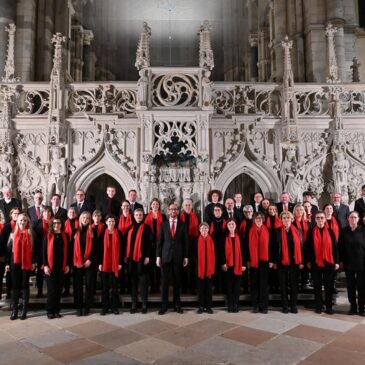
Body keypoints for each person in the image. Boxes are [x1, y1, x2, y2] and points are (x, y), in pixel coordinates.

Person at [156, 203, 188, 315]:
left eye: (175, 209)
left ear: (178, 211)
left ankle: (177, 305)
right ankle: (164, 306)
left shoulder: (183, 225)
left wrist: (186, 257)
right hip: (165, 257)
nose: (173, 211)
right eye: (171, 209)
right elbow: (160, 242)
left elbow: (185, 242)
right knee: (164, 283)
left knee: (177, 283)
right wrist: (158, 257)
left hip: (178, 257)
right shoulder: (163, 225)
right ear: (168, 211)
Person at [306, 211, 339, 314]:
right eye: (318, 218)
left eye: (322, 218)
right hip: (315, 263)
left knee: (329, 286)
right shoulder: (311, 231)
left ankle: (329, 307)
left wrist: (337, 262)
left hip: (328, 263)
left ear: (325, 219)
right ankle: (319, 306)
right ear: (315, 219)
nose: (320, 220)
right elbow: (308, 248)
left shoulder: (330, 231)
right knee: (317, 286)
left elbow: (335, 248)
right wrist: (308, 261)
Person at [5, 214, 34, 320]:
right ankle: (15, 311)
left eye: (25, 220)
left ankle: (24, 310)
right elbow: (8, 250)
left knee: (25, 285)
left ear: (27, 222)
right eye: (21, 220)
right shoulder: (12, 234)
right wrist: (7, 263)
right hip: (15, 262)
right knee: (15, 286)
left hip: (26, 262)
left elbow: (33, 250)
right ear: (17, 221)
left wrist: (33, 262)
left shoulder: (30, 233)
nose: (22, 222)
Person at [125, 209, 152, 313]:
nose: (138, 216)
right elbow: (127, 244)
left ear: (143, 216)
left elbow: (150, 244)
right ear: (134, 216)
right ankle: (134, 304)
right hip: (132, 259)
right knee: (133, 283)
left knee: (143, 283)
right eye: (136, 215)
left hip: (142, 259)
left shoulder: (146, 228)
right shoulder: (130, 228)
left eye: (140, 215)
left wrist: (147, 256)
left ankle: (144, 304)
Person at [43, 217, 70, 319]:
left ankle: (57, 310)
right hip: (50, 267)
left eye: (58, 223)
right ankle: (50, 311)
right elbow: (44, 252)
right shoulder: (48, 236)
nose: (56, 225)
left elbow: (69, 252)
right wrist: (45, 265)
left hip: (62, 267)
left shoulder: (65, 236)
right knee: (52, 290)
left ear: (61, 224)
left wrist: (68, 264)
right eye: (54, 223)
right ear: (51, 225)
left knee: (59, 290)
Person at [277, 211, 304, 313]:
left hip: (294, 262)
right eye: (284, 218)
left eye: (288, 218)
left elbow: (301, 248)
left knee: (294, 285)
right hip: (282, 262)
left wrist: (301, 261)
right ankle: (285, 306)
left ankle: (293, 305)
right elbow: (274, 248)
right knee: (283, 285)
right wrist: (274, 261)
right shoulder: (277, 231)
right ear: (282, 220)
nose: (286, 220)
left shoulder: (298, 231)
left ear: (291, 219)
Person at [339, 211, 365, 316]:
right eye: (351, 217)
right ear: (348, 219)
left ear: (358, 219)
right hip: (348, 263)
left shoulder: (363, 231)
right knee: (350, 286)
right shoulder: (344, 231)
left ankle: (362, 307)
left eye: (355, 217)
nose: (353, 219)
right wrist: (340, 261)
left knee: (362, 286)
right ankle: (353, 307)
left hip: (362, 263)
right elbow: (340, 247)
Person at [246, 212, 272, 313]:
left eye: (260, 218)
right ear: (254, 220)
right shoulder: (249, 231)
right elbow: (246, 246)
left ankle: (264, 306)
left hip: (264, 261)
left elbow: (271, 246)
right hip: (253, 261)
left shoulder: (268, 230)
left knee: (264, 284)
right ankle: (255, 305)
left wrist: (271, 260)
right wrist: (248, 260)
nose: (259, 220)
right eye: (257, 218)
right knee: (254, 284)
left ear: (263, 219)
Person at [72, 211, 96, 316]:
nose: (85, 219)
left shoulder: (92, 231)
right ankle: (78, 307)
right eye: (83, 218)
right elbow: (71, 248)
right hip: (77, 262)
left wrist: (90, 259)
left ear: (89, 220)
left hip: (89, 263)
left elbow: (96, 248)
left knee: (89, 285)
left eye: (87, 218)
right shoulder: (75, 231)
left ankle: (87, 307)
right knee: (77, 286)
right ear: (80, 219)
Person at [99, 215, 123, 315]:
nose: (111, 223)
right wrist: (100, 263)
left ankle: (114, 307)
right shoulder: (101, 234)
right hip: (104, 263)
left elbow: (122, 249)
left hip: (115, 263)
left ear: (115, 222)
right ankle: (105, 307)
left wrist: (120, 263)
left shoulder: (119, 233)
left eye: (113, 221)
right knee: (105, 287)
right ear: (106, 222)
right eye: (109, 221)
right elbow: (98, 250)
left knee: (114, 287)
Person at [222, 219, 245, 312]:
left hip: (238, 265)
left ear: (235, 225)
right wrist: (223, 263)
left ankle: (236, 304)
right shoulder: (224, 237)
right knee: (229, 286)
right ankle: (230, 305)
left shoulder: (240, 237)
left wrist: (243, 264)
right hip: (228, 265)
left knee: (237, 286)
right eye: (229, 224)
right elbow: (221, 252)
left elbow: (244, 252)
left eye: (233, 224)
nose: (231, 225)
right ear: (227, 226)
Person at [144, 198, 166, 293]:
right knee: (150, 267)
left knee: (159, 266)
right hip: (150, 245)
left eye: (157, 204)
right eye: (153, 204)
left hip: (161, 244)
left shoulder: (164, 216)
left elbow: (166, 231)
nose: (155, 206)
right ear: (151, 205)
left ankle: (157, 286)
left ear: (159, 206)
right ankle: (152, 286)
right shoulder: (146, 216)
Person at [0, 207, 20, 300]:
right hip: (7, 255)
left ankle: (17, 292)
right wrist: (2, 256)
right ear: (11, 215)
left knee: (17, 274)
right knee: (8, 274)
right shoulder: (7, 226)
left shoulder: (22, 224)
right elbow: (2, 242)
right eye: (14, 213)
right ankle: (8, 292)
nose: (16, 215)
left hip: (19, 254)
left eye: (18, 213)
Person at [180, 199, 199, 294]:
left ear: (192, 207)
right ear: (183, 207)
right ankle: (183, 288)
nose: (187, 206)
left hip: (193, 244)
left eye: (189, 205)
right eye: (186, 205)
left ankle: (192, 288)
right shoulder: (180, 217)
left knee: (192, 266)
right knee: (182, 266)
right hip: (182, 244)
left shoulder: (195, 216)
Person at [33, 207, 53, 298]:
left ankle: (51, 291)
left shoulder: (54, 223)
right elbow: (34, 238)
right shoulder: (37, 223)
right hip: (40, 251)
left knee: (52, 271)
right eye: (45, 212)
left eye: (49, 212)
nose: (47, 214)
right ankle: (40, 291)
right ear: (42, 213)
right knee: (40, 272)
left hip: (52, 251)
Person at [196, 222, 215, 314]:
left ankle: (208, 307)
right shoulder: (196, 240)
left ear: (208, 230)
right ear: (199, 230)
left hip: (209, 269)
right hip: (199, 269)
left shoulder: (212, 240)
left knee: (208, 288)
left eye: (206, 228)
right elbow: (193, 255)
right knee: (200, 289)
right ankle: (200, 306)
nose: (204, 230)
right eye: (202, 228)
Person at [209, 205, 227, 293]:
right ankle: (216, 288)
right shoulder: (210, 221)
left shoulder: (226, 221)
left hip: (224, 247)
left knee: (223, 267)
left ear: (222, 211)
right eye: (215, 210)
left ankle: (224, 287)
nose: (217, 211)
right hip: (213, 247)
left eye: (219, 210)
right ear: (213, 212)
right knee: (215, 268)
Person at [62, 207, 79, 297]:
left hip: (76, 249)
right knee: (66, 271)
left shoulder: (79, 223)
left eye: (73, 212)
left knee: (76, 271)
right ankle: (66, 289)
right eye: (70, 212)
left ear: (76, 214)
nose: (72, 214)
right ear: (67, 214)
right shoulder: (64, 223)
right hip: (67, 249)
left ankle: (76, 290)